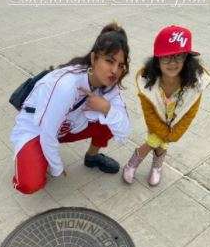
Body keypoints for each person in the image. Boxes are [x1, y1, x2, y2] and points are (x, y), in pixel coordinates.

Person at [10, 23, 131, 194]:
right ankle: (31, 158)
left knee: (111, 117)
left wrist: (106, 109)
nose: (114, 70)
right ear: (94, 58)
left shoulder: (111, 88)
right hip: (37, 129)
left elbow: (124, 132)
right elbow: (47, 132)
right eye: (109, 61)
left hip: (66, 127)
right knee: (30, 184)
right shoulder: (67, 85)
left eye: (120, 65)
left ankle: (92, 157)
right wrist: (57, 168)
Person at [123, 24, 210, 186]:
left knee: (160, 140)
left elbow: (190, 114)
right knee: (157, 138)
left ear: (187, 58)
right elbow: (149, 114)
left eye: (179, 56)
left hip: (174, 121)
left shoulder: (194, 84)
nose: (173, 63)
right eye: (166, 57)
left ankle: (137, 160)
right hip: (156, 118)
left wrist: (174, 134)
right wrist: (165, 134)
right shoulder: (147, 81)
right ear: (157, 60)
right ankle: (155, 165)